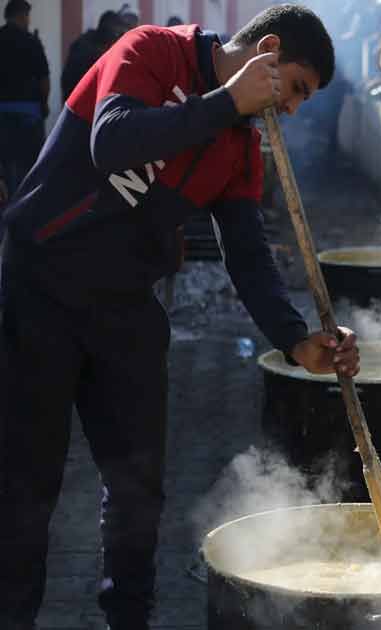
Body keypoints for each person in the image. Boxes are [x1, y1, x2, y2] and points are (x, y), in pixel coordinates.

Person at [0, 6, 360, 629]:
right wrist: (225, 101)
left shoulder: (241, 148)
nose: (295, 110)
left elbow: (246, 254)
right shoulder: (151, 50)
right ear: (268, 52)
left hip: (128, 306)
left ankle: (129, 620)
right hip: (41, 288)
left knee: (138, 489)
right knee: (28, 489)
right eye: (296, 88)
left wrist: (297, 339)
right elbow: (111, 141)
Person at [0, 0, 49, 208]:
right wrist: (44, 105)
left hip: (2, 115)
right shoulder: (31, 41)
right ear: (22, 15)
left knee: (6, 167)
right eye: (27, 16)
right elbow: (44, 80)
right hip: (29, 116)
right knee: (30, 169)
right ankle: (25, 211)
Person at [61, 10, 133, 100]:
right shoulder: (84, 48)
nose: (117, 39)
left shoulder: (98, 45)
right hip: (80, 99)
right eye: (116, 34)